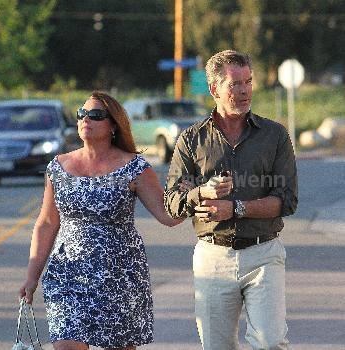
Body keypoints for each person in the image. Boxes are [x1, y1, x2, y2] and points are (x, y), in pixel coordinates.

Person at [19, 91, 189, 350]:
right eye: (82, 114)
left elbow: (167, 215)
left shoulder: (134, 167)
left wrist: (193, 198)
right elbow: (46, 223)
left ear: (113, 125)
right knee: (66, 345)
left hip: (119, 273)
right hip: (68, 272)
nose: (86, 119)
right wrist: (32, 277)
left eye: (96, 115)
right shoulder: (58, 167)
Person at [164, 50, 298, 350]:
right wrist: (203, 192)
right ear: (215, 89)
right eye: (234, 84)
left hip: (264, 253)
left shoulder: (275, 135)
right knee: (216, 346)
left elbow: (286, 200)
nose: (244, 90)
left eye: (248, 81)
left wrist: (234, 208)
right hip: (212, 256)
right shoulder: (191, 140)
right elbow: (173, 201)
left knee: (270, 343)